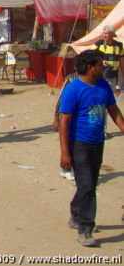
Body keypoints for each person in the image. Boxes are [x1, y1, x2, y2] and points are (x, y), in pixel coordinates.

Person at [58, 49, 124, 247]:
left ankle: (76, 213)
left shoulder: (103, 85)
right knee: (87, 185)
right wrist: (65, 153)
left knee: (89, 183)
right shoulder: (74, 89)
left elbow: (113, 110)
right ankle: (85, 228)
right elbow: (64, 122)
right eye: (99, 63)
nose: (103, 66)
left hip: (97, 142)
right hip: (78, 143)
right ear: (89, 67)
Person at [91, 25, 122, 97]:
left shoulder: (119, 46)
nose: (104, 35)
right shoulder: (99, 44)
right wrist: (100, 63)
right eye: (104, 33)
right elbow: (90, 56)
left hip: (113, 75)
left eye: (107, 33)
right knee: (100, 94)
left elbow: (122, 62)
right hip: (100, 75)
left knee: (111, 96)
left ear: (112, 35)